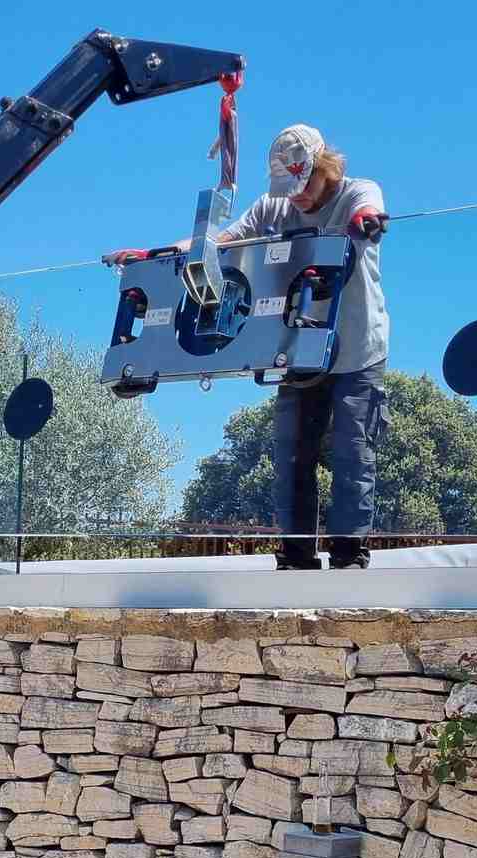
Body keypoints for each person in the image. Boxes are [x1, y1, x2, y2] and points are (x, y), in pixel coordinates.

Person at [108, 125, 390, 569]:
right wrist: (160, 257)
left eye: (305, 185)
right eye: (289, 188)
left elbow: (368, 210)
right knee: (292, 451)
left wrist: (366, 222)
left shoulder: (357, 193)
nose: (296, 197)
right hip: (297, 348)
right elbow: (221, 242)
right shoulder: (272, 207)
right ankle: (295, 558)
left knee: (352, 450)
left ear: (325, 168)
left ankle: (348, 557)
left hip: (357, 351)